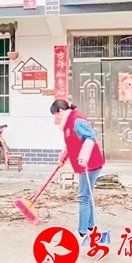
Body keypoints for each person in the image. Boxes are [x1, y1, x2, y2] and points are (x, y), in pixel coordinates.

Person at [51, 99, 105, 238]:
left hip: (90, 164)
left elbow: (90, 137)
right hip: (85, 163)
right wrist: (63, 158)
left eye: (56, 115)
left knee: (83, 197)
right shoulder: (68, 122)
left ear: (60, 111)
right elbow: (71, 143)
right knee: (87, 195)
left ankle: (82, 231)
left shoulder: (76, 120)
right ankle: (90, 226)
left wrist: (84, 156)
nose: (56, 118)